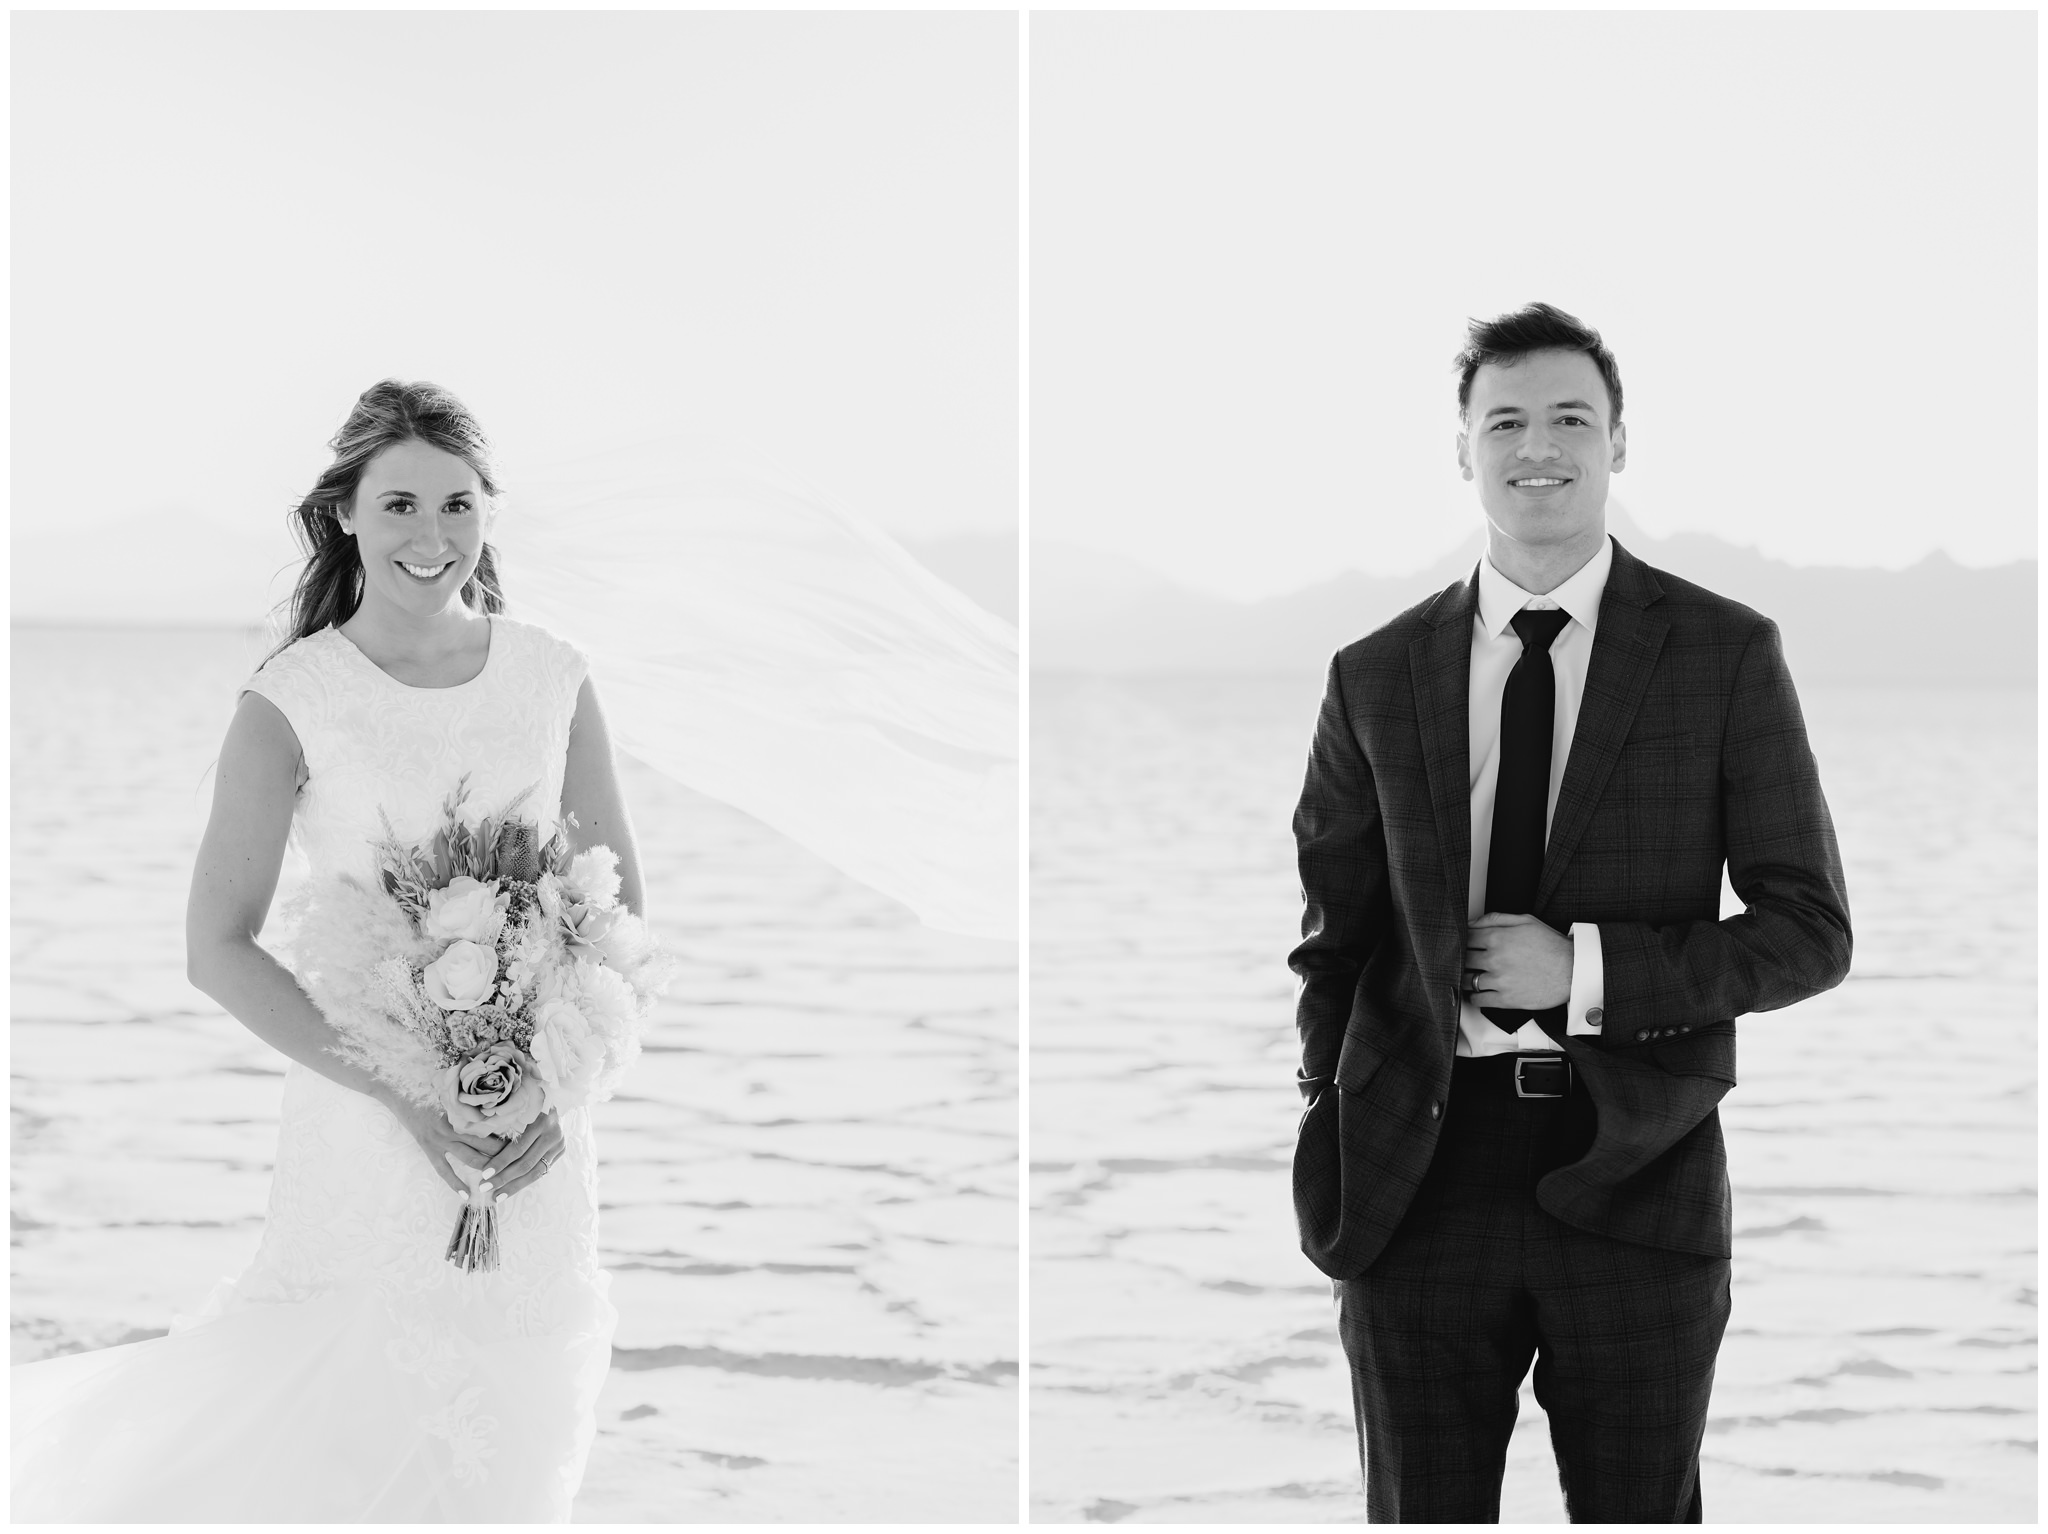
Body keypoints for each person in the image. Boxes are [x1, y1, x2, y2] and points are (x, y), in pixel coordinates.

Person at [12, 381, 642, 1519]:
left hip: (537, 1137)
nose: (431, 536)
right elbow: (218, 947)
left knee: (517, 1426)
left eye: (457, 504)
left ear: (489, 514)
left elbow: (615, 913)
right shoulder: (293, 699)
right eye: (398, 503)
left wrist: (553, 1085)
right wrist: (408, 1093)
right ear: (342, 514)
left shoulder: (553, 675)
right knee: (342, 1435)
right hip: (362, 1125)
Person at [1288, 303, 1852, 1523]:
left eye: (1567, 419)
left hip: (1637, 1172)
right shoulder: (1372, 674)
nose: (1534, 446)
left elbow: (1808, 929)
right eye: (1503, 421)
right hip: (1416, 1178)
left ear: (1615, 443)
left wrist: (1582, 969)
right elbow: (1331, 936)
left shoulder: (1722, 652)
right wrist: (1331, 1108)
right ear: (1460, 450)